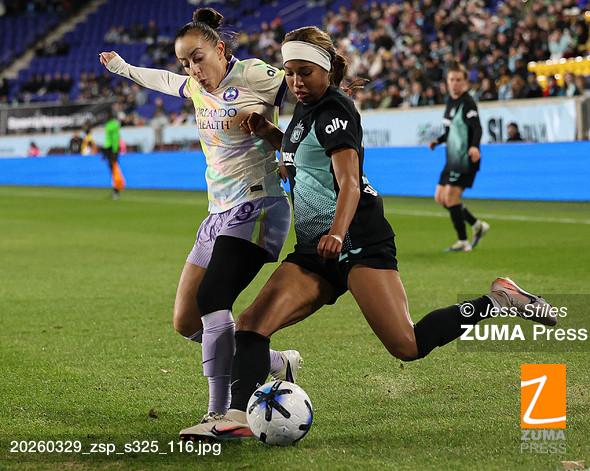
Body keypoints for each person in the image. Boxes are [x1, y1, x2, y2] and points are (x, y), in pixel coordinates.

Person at [181, 26, 556, 439]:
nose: (295, 82)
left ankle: (498, 300)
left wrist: (337, 233)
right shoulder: (304, 108)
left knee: (407, 345)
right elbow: (303, 154)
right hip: (315, 250)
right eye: (289, 72)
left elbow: (350, 183)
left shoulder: (336, 111)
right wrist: (270, 133)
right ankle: (236, 417)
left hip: (358, 241)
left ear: (326, 70)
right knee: (252, 324)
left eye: (304, 72)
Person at [99, 8, 300, 430]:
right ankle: (273, 362)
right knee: (187, 321)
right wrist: (122, 67)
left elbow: (306, 98)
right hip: (217, 214)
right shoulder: (193, 85)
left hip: (259, 205)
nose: (193, 69)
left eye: (198, 58)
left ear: (220, 50)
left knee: (213, 298)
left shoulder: (253, 75)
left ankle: (221, 412)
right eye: (185, 62)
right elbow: (160, 79)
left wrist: (286, 146)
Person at [429, 62, 489, 252]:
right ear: (447, 82)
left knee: (451, 197)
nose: (455, 83)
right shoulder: (450, 102)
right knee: (440, 198)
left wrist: (475, 146)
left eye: (458, 80)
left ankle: (463, 241)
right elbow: (450, 132)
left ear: (465, 82)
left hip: (465, 159)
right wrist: (438, 140)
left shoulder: (468, 102)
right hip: (452, 159)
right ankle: (477, 225)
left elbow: (477, 127)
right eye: (452, 80)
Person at [102, 110, 125, 199]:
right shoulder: (112, 125)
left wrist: (114, 152)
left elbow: (114, 139)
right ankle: (115, 190)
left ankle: (116, 191)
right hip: (110, 149)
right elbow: (113, 138)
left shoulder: (111, 126)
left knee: (114, 171)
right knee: (114, 170)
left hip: (111, 150)